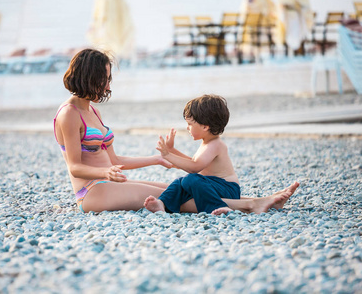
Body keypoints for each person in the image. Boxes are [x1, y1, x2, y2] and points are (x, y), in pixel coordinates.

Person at [54, 48, 298, 214]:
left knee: (173, 189)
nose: (108, 85)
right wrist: (106, 172)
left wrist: (157, 159)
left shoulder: (92, 111)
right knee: (173, 199)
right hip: (91, 192)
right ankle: (251, 205)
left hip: (108, 181)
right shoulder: (69, 114)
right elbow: (74, 166)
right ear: (89, 77)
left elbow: (115, 160)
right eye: (104, 79)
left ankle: (262, 201)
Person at [144, 94, 299, 215]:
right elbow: (193, 162)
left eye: (190, 124)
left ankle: (219, 206)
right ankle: (162, 204)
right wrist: (172, 150)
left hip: (227, 189)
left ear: (205, 127)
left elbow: (194, 168)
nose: (187, 128)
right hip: (211, 185)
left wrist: (168, 155)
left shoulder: (215, 145)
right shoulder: (207, 143)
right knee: (181, 182)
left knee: (191, 179)